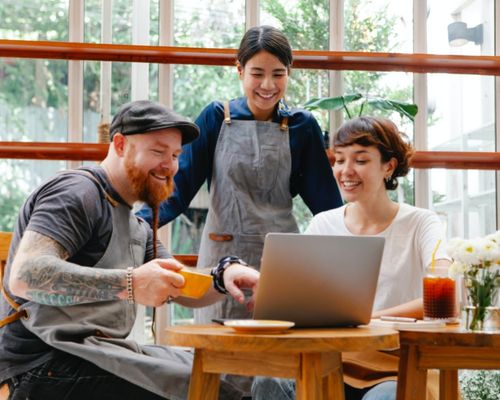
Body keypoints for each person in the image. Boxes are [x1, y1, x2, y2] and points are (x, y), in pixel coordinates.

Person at [0, 100, 259, 400]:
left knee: (219, 376)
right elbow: (26, 275)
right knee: (207, 390)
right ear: (120, 145)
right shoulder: (76, 193)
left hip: (91, 355)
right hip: (39, 367)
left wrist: (224, 275)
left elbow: (181, 284)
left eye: (175, 155)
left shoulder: (135, 224)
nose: (171, 165)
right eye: (158, 151)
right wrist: (131, 283)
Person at [137, 25, 342, 324]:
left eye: (278, 73)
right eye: (257, 73)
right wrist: (134, 224)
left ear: (289, 72)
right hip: (221, 262)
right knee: (219, 357)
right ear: (240, 71)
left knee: (278, 359)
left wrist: (355, 254)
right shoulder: (216, 117)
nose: (268, 85)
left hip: (281, 262)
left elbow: (327, 208)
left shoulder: (302, 126)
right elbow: (176, 192)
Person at [252, 116, 450, 400]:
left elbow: (443, 294)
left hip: (399, 365)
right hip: (330, 362)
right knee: (269, 382)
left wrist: (366, 320)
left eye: (360, 160)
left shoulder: (421, 223)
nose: (346, 171)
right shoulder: (323, 224)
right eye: (339, 159)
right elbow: (299, 297)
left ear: (388, 167)